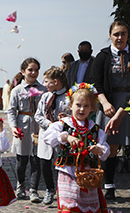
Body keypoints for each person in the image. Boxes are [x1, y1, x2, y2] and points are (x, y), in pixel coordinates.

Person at [43, 83, 110, 212]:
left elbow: (105, 149)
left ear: (92, 108)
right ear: (70, 105)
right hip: (68, 172)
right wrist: (65, 137)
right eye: (78, 105)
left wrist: (99, 149)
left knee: (87, 208)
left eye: (86, 106)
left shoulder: (95, 129)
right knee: (70, 206)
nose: (81, 109)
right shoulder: (63, 124)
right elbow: (47, 137)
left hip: (88, 175)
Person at [90, 20, 130, 201]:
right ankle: (109, 185)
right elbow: (96, 83)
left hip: (128, 102)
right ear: (110, 36)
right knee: (109, 147)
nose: (120, 37)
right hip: (109, 104)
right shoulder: (103, 56)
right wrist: (105, 103)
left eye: (123, 33)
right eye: (116, 34)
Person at [8, 57, 47, 202]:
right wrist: (13, 127)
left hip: (38, 127)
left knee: (37, 160)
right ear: (23, 71)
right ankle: (20, 185)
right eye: (30, 70)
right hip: (22, 126)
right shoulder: (17, 90)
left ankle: (34, 190)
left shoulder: (43, 90)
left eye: (36, 70)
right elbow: (11, 110)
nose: (33, 72)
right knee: (21, 160)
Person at [34, 66, 70, 205]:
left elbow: (73, 116)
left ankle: (63, 191)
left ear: (55, 81)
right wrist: (49, 124)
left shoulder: (68, 97)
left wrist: (65, 119)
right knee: (44, 163)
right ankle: (50, 189)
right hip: (46, 134)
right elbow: (38, 115)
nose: (44, 84)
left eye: (47, 81)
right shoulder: (45, 96)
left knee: (62, 165)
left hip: (62, 136)